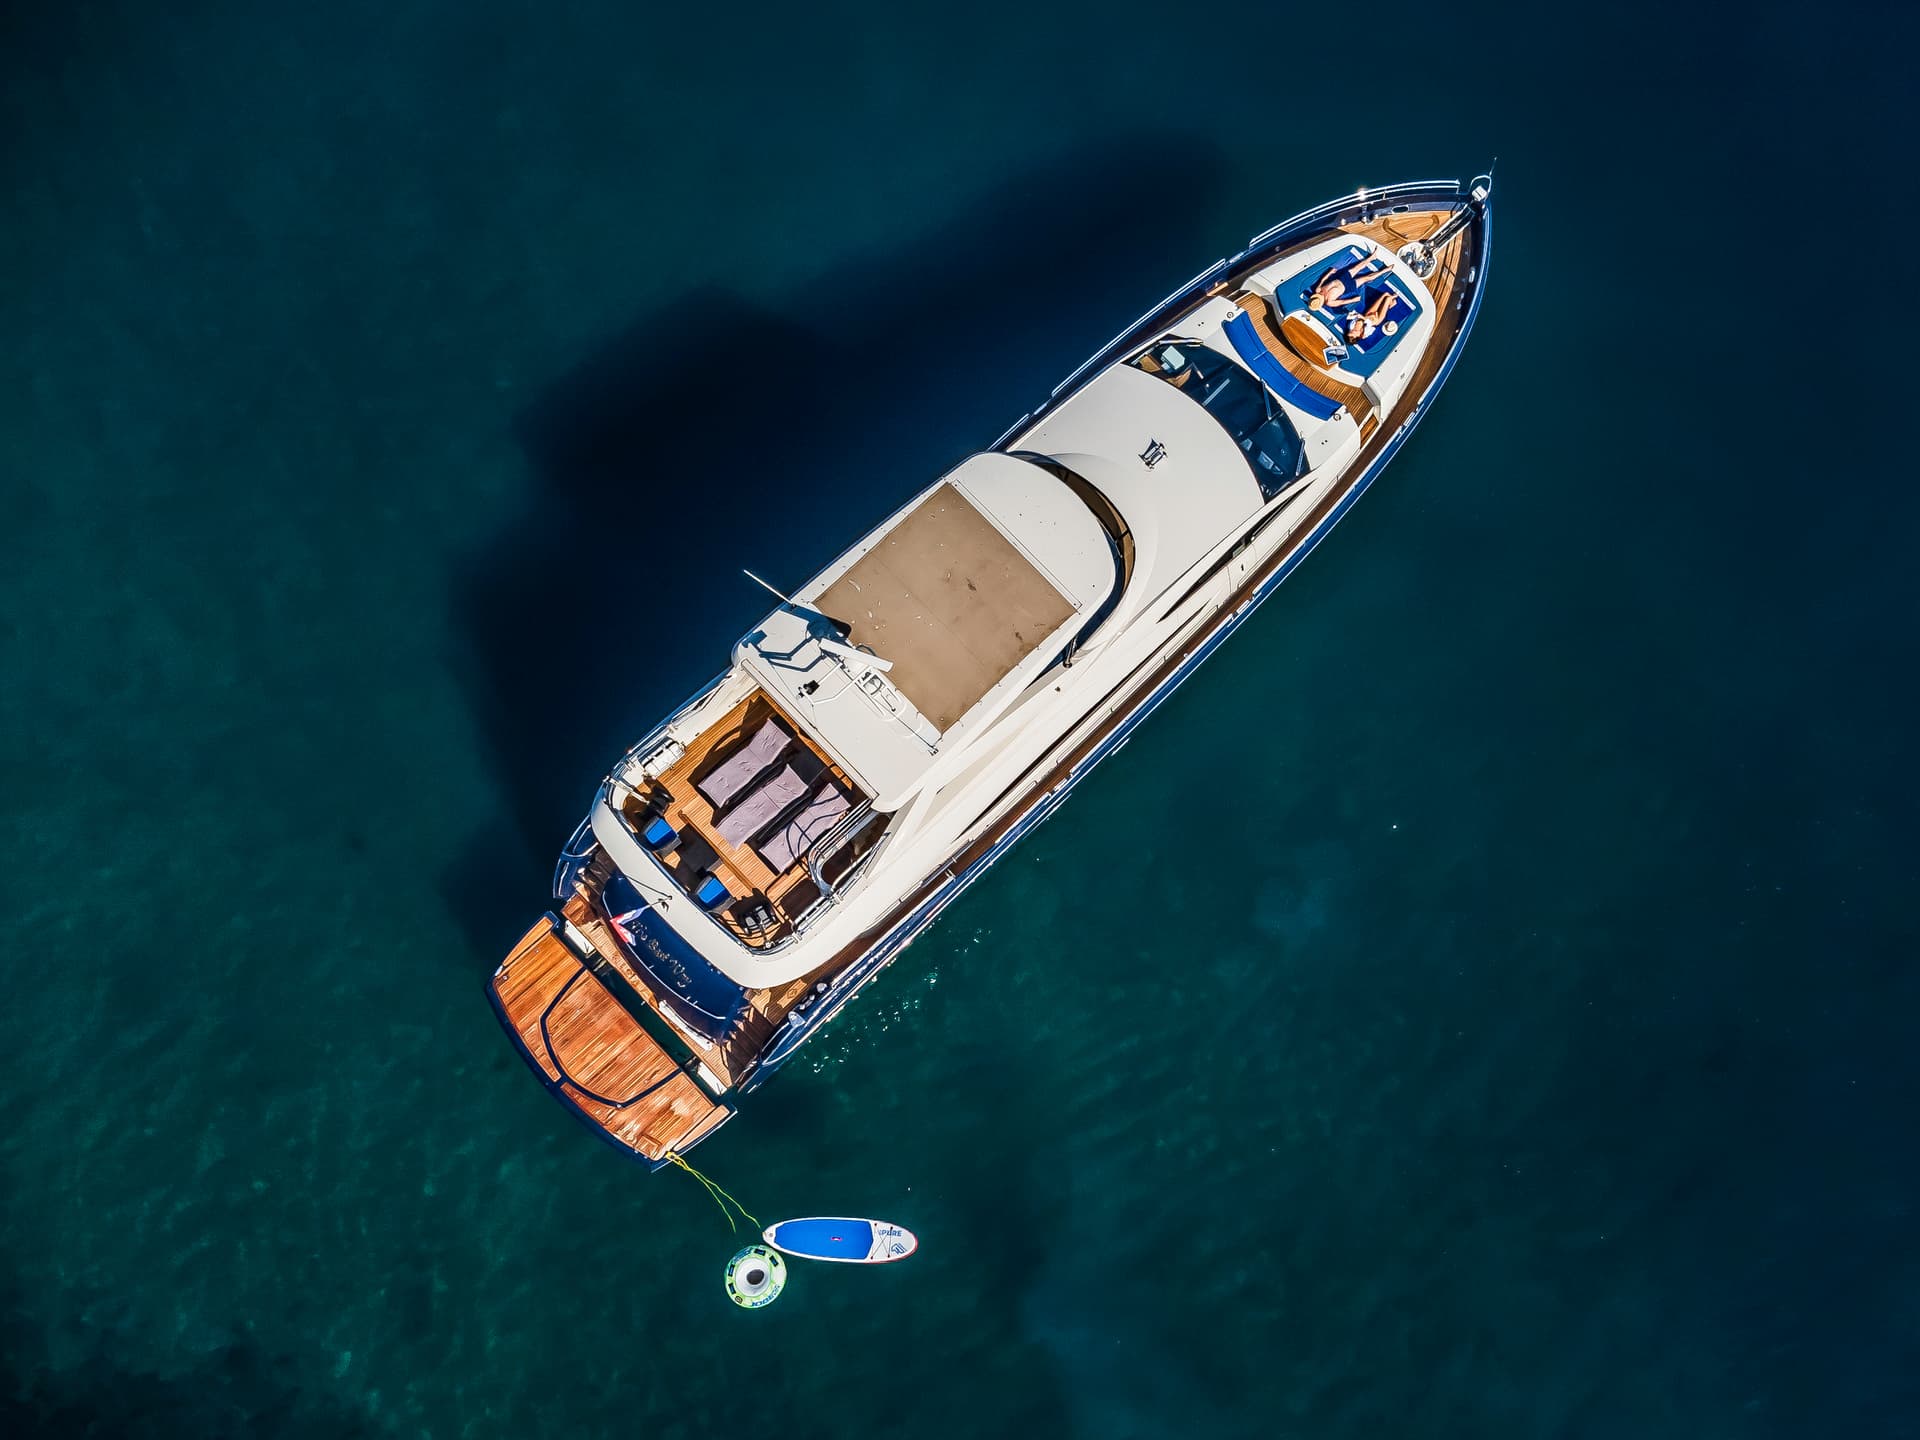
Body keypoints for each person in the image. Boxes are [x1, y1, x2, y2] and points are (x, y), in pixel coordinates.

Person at [1304, 251, 1392, 314]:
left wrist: (1329, 272)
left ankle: (1372, 257)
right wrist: (1353, 300)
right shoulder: (1329, 302)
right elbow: (1342, 302)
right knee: (1366, 278)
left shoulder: (1318, 290)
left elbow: (1322, 280)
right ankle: (1384, 270)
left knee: (1357, 267)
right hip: (1346, 287)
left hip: (1341, 279)